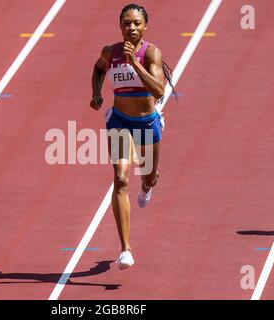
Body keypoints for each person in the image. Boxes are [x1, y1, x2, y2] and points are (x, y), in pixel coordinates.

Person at [90, 4, 176, 269]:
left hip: (147, 123)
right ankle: (125, 249)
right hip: (120, 122)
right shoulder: (110, 52)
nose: (132, 28)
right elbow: (99, 68)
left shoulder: (151, 52)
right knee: (120, 179)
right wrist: (96, 92)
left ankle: (149, 186)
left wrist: (134, 63)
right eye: (127, 23)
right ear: (120, 26)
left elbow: (158, 89)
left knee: (148, 175)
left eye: (137, 23)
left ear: (145, 26)